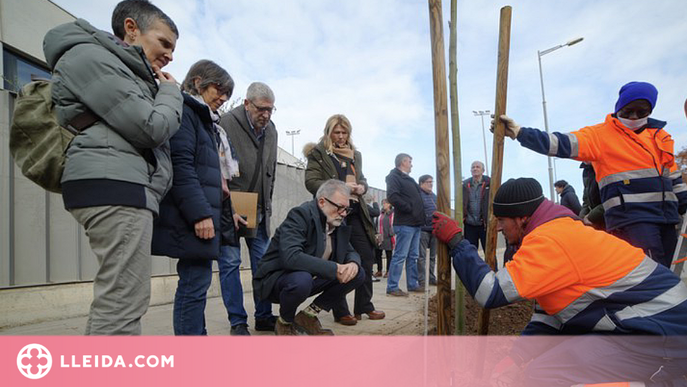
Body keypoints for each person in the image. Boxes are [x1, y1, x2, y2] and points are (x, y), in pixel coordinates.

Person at [432, 178, 687, 386]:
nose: (498, 228)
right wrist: (516, 358)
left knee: (546, 375)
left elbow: (490, 292)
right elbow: (550, 316)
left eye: (501, 221)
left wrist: (457, 241)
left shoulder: (549, 241)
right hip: (653, 327)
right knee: (542, 370)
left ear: (521, 218)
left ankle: (660, 381)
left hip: (659, 336)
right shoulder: (558, 230)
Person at [43, 0, 182, 335]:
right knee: (122, 304)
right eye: (164, 43)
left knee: (119, 300)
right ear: (131, 28)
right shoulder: (91, 57)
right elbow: (151, 127)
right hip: (116, 185)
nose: (170, 56)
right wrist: (170, 92)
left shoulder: (117, 66)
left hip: (122, 184)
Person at [494, 81, 687, 267]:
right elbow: (558, 143)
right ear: (618, 109)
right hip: (633, 220)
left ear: (650, 111)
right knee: (650, 274)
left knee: (668, 271)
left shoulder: (660, 137)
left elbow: (673, 175)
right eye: (628, 111)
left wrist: (684, 203)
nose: (634, 117)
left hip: (667, 218)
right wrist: (520, 133)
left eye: (642, 112)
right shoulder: (601, 135)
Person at [151, 60, 234, 335]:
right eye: (219, 90)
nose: (222, 98)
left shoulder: (205, 120)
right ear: (198, 82)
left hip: (203, 212)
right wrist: (200, 214)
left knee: (197, 284)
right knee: (193, 286)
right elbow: (181, 165)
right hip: (193, 215)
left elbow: (211, 175)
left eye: (227, 95)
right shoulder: (187, 112)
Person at [253, 180, 365, 335]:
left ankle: (308, 316)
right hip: (277, 279)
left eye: (346, 209)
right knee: (302, 279)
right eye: (340, 207)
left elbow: (350, 251)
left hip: (309, 278)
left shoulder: (338, 221)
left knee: (358, 273)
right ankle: (285, 322)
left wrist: (352, 264)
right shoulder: (300, 215)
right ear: (322, 202)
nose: (344, 213)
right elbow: (291, 257)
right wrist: (335, 268)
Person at [303, 114, 385, 325]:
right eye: (336, 132)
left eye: (344, 132)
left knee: (366, 258)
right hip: (334, 213)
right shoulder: (318, 154)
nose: (340, 136)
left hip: (357, 212)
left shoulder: (355, 155)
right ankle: (341, 311)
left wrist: (362, 187)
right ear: (328, 133)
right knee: (338, 261)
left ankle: (364, 306)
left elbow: (363, 178)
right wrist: (338, 187)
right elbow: (311, 182)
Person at [218, 82, 278, 334]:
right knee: (230, 263)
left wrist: (267, 204)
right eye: (261, 109)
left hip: (260, 208)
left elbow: (271, 171)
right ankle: (237, 321)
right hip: (232, 204)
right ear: (246, 104)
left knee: (262, 264)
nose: (265, 114)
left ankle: (263, 315)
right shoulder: (225, 123)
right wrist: (225, 203)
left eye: (271, 110)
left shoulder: (271, 130)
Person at [385, 153, 425, 296]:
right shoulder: (394, 177)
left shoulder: (409, 179)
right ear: (402, 162)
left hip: (415, 223)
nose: (411, 164)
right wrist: (409, 208)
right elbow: (393, 196)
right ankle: (392, 287)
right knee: (400, 255)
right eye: (409, 161)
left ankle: (412, 284)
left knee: (413, 255)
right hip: (405, 223)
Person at [462, 161, 491, 253]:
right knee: (470, 253)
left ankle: (492, 268)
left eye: (478, 167)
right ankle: (471, 268)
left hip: (485, 225)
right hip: (470, 225)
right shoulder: (465, 185)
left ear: (483, 170)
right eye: (473, 167)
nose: (475, 169)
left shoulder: (490, 183)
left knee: (489, 251)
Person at [417, 175, 437, 286]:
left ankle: (431, 277)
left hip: (434, 230)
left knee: (432, 256)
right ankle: (422, 279)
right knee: (421, 256)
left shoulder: (434, 197)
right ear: (421, 183)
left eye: (431, 181)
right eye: (428, 182)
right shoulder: (418, 195)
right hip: (423, 230)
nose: (431, 184)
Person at [579, 162, 606, 230]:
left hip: (609, 218)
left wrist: (591, 216)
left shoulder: (606, 166)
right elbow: (586, 199)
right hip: (595, 219)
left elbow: (612, 200)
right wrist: (582, 218)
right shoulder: (586, 170)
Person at [377, 199, 395, 278]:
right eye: (382, 203)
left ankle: (388, 271)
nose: (383, 205)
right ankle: (379, 270)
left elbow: (394, 224)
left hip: (388, 237)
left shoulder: (392, 214)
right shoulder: (381, 213)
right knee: (378, 254)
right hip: (380, 236)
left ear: (389, 205)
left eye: (385, 203)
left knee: (389, 255)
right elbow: (376, 223)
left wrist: (390, 233)